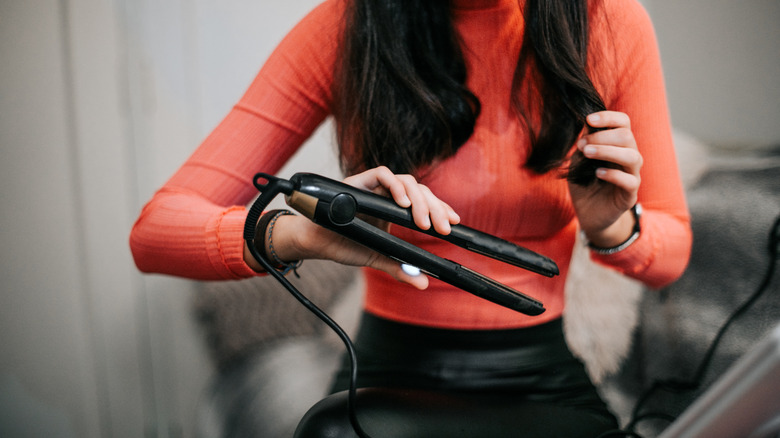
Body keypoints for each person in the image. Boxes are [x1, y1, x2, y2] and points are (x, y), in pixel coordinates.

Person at [130, 0, 692, 436]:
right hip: (390, 373)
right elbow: (154, 234)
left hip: (542, 377)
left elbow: (672, 252)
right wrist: (298, 234)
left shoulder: (609, 24)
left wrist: (612, 227)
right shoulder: (350, 26)